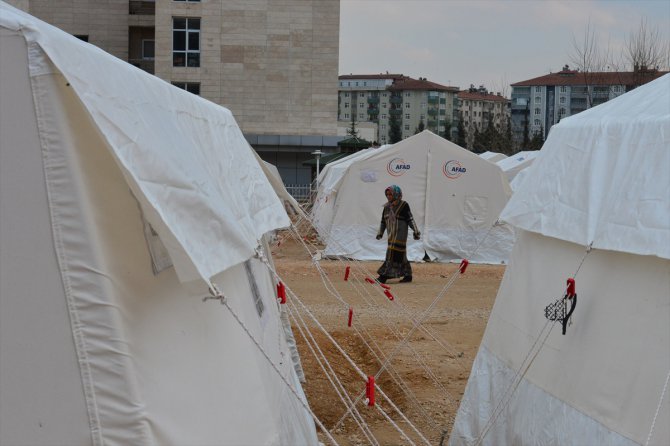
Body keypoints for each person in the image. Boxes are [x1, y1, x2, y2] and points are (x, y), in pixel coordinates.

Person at [376, 185, 420, 283]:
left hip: (400, 236)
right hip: (391, 236)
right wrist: (380, 232)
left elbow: (410, 219)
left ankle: (383, 277)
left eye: (390, 194)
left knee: (391, 255)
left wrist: (416, 231)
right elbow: (383, 221)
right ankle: (408, 275)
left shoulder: (403, 205)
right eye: (387, 194)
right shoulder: (386, 207)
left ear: (396, 194)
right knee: (401, 256)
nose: (388, 196)